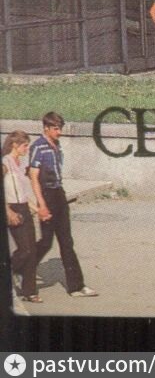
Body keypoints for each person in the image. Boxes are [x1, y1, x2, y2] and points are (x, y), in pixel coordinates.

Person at [28, 112, 95, 297]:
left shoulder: (56, 145)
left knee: (66, 241)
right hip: (46, 195)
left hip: (59, 193)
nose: (60, 132)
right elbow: (33, 178)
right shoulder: (38, 147)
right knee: (46, 242)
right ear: (46, 128)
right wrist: (41, 205)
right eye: (56, 129)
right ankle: (22, 269)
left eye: (60, 128)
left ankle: (76, 286)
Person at [5, 130, 42, 302]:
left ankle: (30, 291)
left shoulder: (20, 164)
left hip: (24, 207)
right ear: (14, 145)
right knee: (25, 249)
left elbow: (23, 193)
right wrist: (8, 211)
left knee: (32, 251)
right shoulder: (5, 162)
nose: (27, 149)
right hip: (11, 208)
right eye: (25, 146)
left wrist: (38, 209)